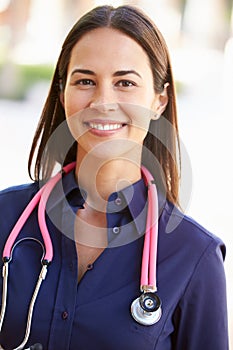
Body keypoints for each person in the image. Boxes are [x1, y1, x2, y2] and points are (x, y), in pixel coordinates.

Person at [0, 5, 228, 350]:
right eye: (85, 81)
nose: (103, 101)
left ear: (159, 100)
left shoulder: (194, 256)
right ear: (63, 95)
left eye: (125, 83)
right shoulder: (5, 219)